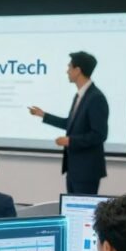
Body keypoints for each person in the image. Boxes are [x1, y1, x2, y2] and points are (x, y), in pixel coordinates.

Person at [28, 51, 110, 194]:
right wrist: (43, 115)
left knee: (81, 213)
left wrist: (70, 141)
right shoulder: (80, 96)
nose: (67, 71)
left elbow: (99, 134)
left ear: (78, 70)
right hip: (74, 169)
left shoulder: (96, 98)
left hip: (86, 171)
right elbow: (70, 124)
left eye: (69, 67)